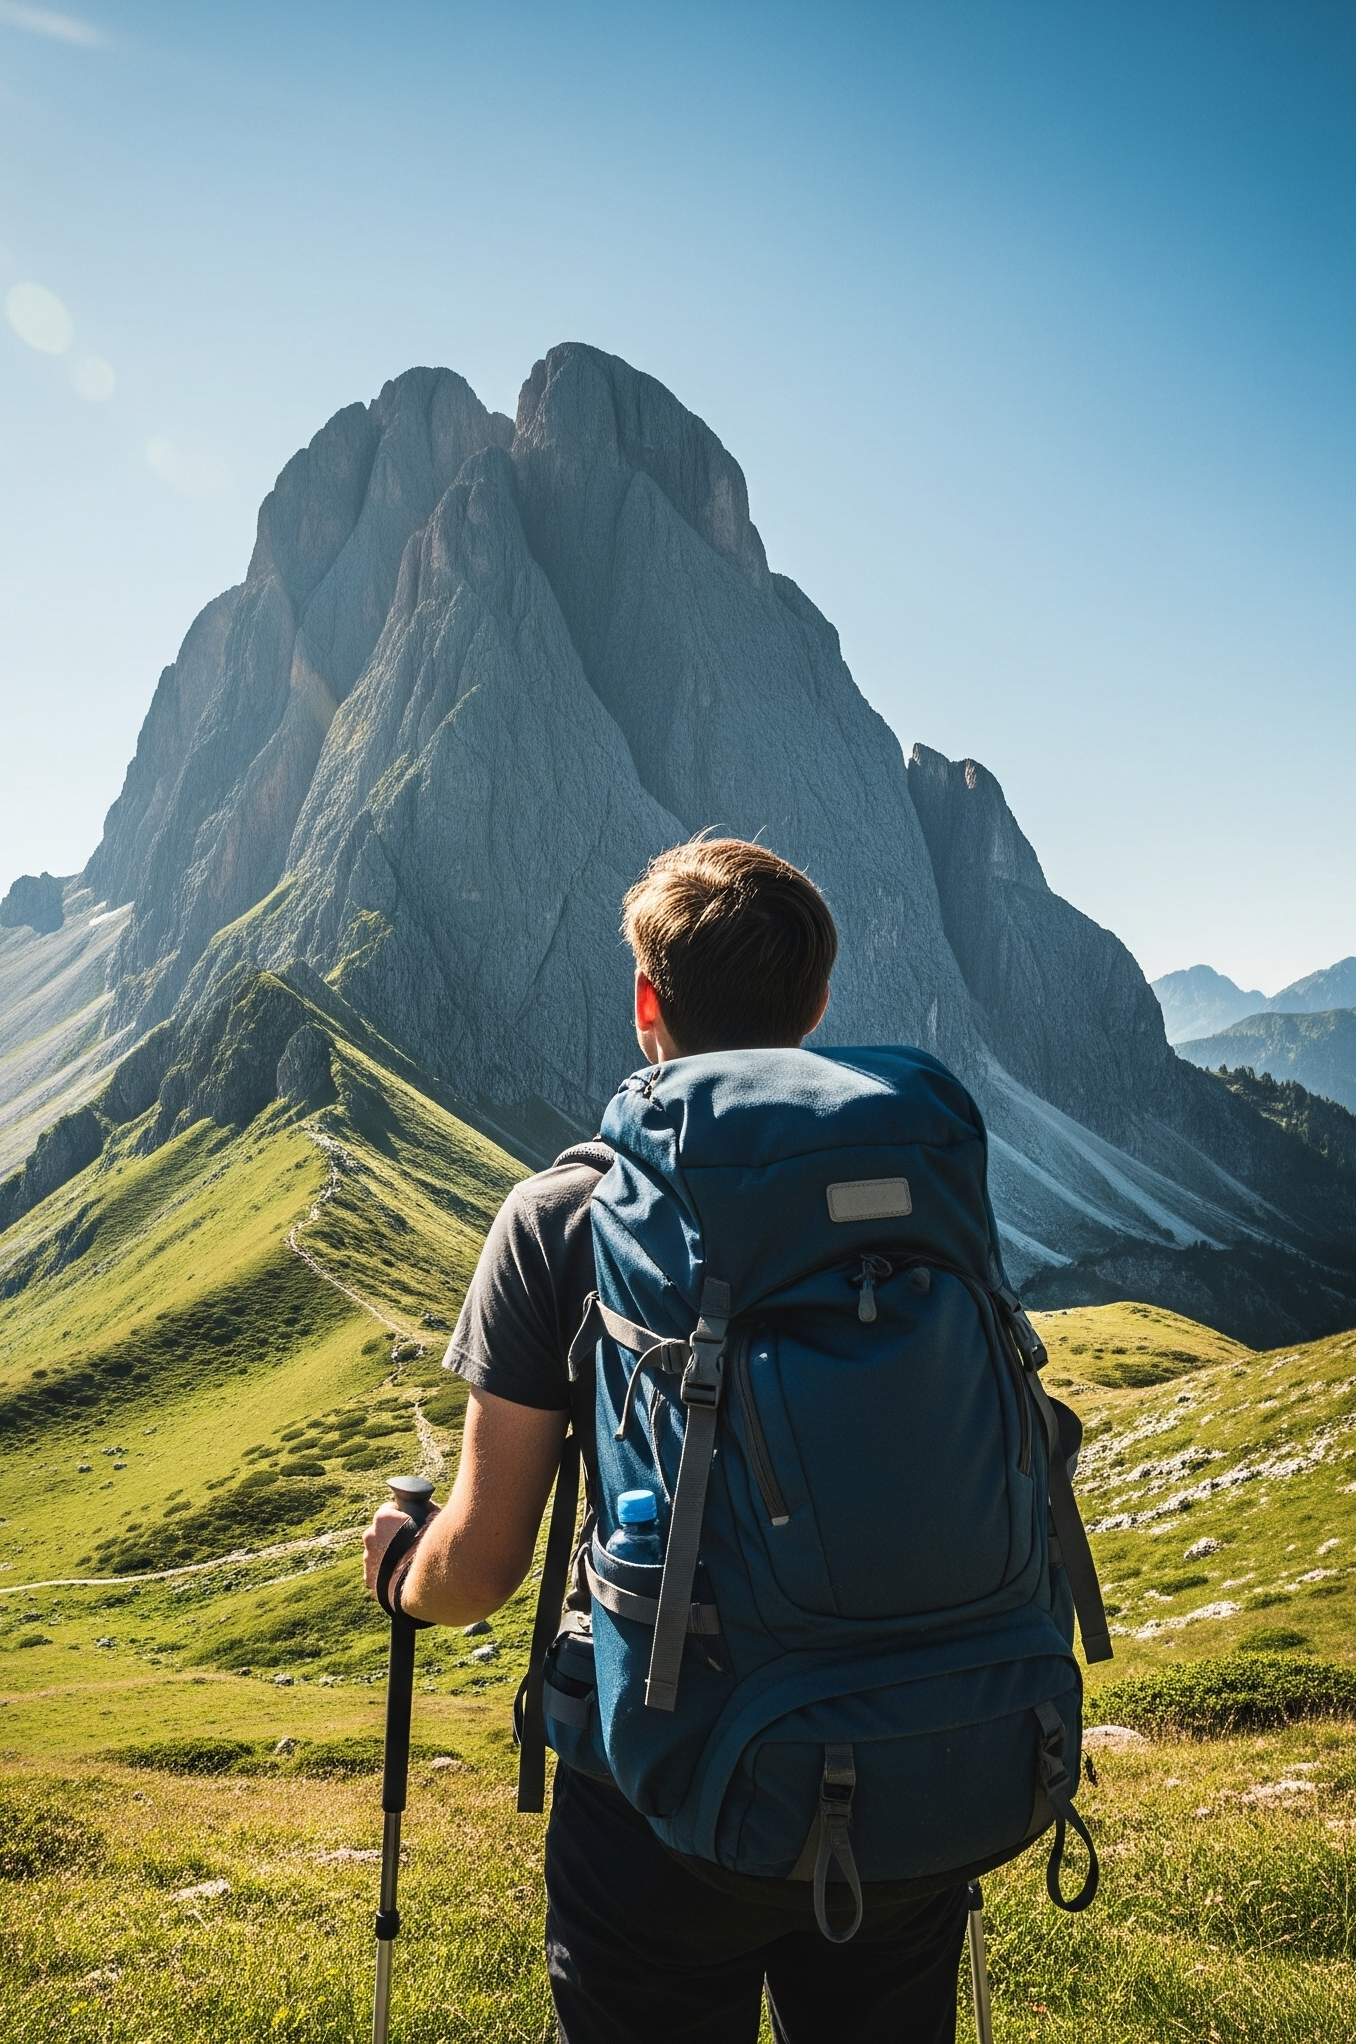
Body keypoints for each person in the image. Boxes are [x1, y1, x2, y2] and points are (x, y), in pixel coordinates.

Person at [363, 837, 968, 2044]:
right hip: (912, 1758)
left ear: (647, 1000)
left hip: (658, 1785)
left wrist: (398, 1572)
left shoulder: (561, 1215)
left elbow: (481, 1567)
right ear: (816, 1005)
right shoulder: (916, 1187)